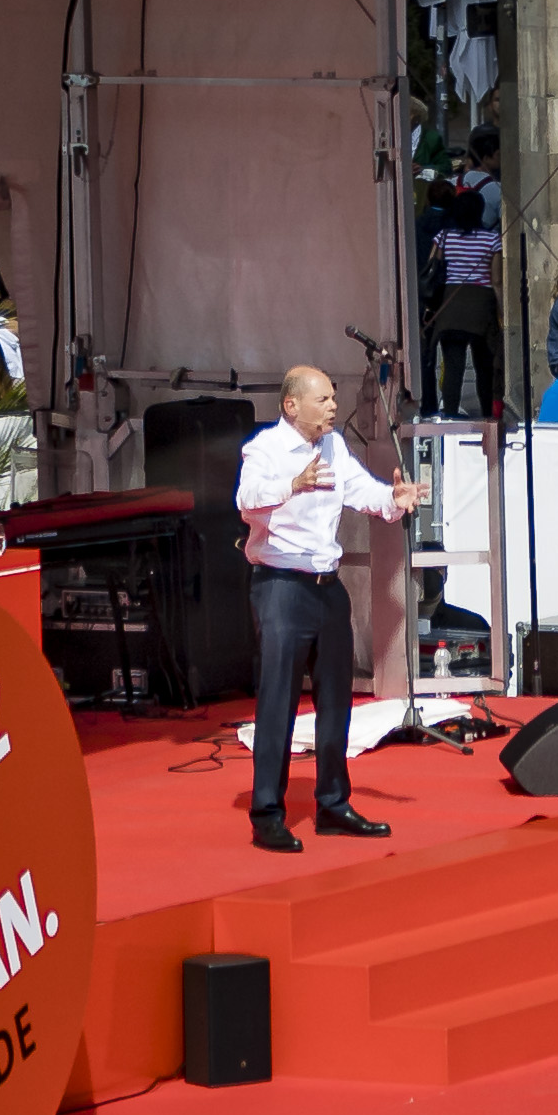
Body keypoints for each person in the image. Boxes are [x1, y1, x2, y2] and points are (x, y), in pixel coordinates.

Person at [234, 361, 405, 858]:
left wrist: (395, 498)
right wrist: (293, 484)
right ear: (292, 405)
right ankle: (268, 813)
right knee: (279, 700)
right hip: (281, 585)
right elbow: (246, 501)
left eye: (333, 398)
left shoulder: (334, 446)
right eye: (324, 399)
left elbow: (361, 490)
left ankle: (332, 803)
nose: (334, 407)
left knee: (336, 699)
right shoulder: (265, 449)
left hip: (327, 586)